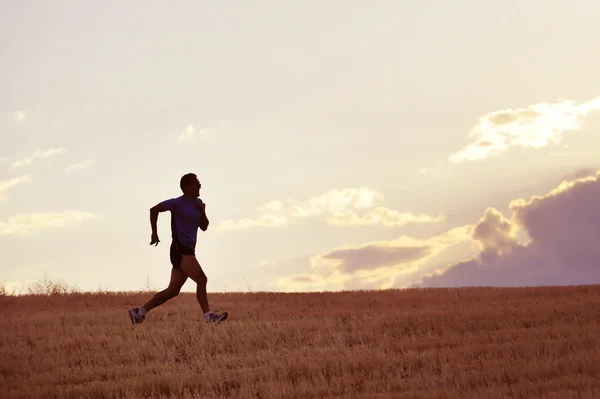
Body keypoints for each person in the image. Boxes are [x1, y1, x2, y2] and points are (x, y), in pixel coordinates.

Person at [128, 173, 228, 324]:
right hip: (180, 249)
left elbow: (204, 227)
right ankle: (209, 316)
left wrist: (202, 210)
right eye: (197, 183)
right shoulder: (177, 203)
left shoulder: (198, 203)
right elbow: (153, 210)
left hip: (188, 250)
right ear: (187, 187)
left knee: (172, 291)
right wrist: (154, 233)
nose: (200, 186)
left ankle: (139, 312)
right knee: (202, 279)